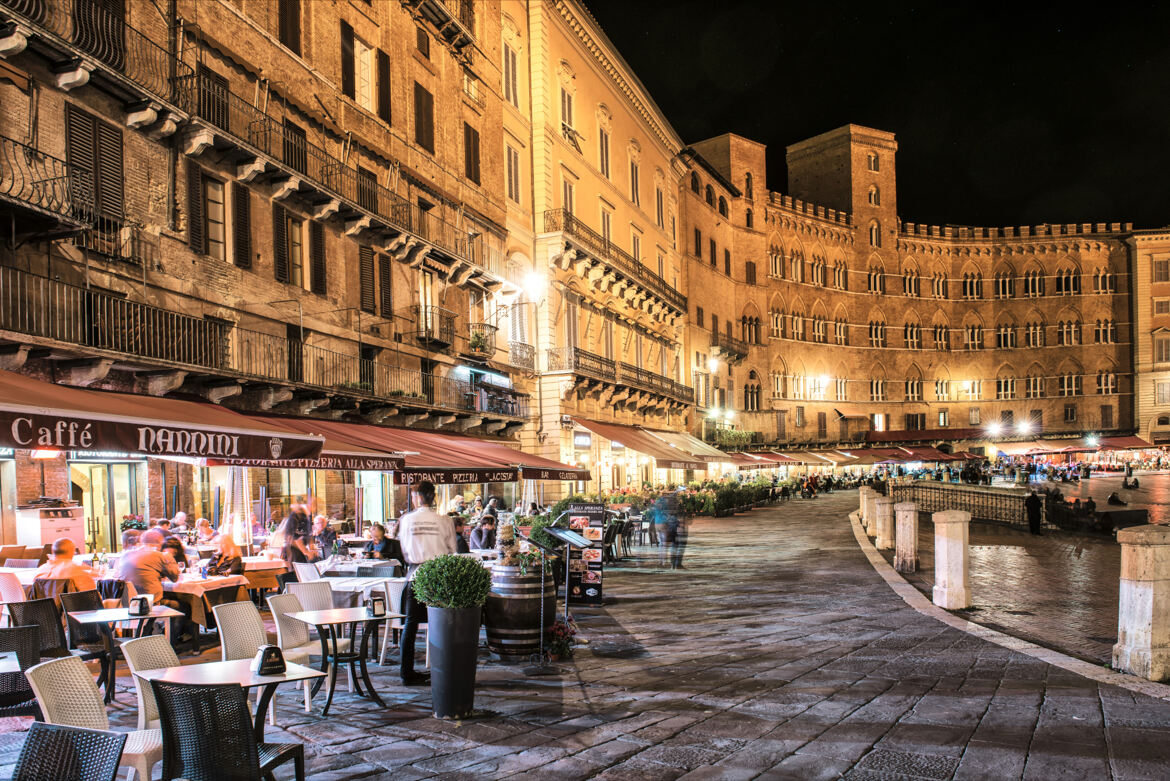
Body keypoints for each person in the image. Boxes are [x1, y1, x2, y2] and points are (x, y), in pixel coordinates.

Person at [397, 480, 456, 685]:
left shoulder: (406, 520)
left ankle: (407, 672)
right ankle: (444, 668)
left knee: (411, 625)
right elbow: (452, 551)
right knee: (442, 623)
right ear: (433, 497)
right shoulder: (445, 521)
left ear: (418, 497)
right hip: (439, 576)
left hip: (415, 574)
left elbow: (404, 551)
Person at [118, 529, 191, 643]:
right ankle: (168, 643)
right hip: (148, 605)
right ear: (160, 543)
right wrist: (167, 559)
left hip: (125, 604)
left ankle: (150, 636)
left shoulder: (126, 555)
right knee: (183, 606)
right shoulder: (160, 555)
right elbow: (175, 577)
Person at [281, 501, 313, 568]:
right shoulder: (295, 517)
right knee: (298, 573)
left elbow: (307, 535)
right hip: (293, 552)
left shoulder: (304, 518)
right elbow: (294, 538)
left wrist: (311, 548)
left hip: (298, 552)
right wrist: (306, 552)